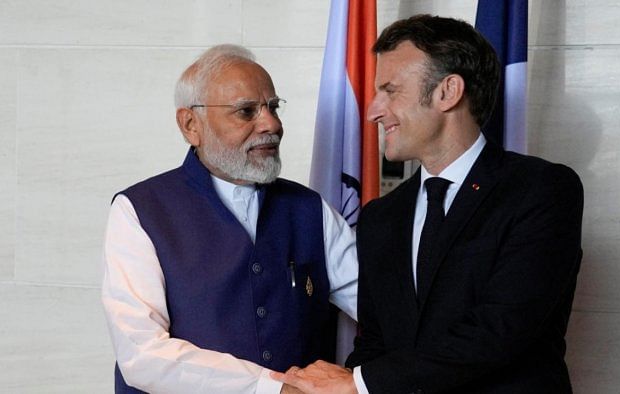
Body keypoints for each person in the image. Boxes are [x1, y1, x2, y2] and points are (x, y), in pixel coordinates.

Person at [273, 14, 584, 393]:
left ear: (448, 92)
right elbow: (374, 344)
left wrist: (358, 383)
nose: (372, 110)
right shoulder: (381, 218)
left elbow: (500, 330)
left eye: (390, 90)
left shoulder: (541, 191)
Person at [101, 44, 358, 394]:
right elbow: (143, 355)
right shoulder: (139, 211)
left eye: (273, 107)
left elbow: (379, 307)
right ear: (191, 125)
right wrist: (271, 388)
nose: (271, 124)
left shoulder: (310, 208)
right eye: (246, 111)